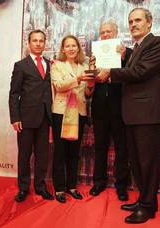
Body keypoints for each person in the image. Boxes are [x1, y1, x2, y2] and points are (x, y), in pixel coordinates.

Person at [96, 8, 160, 224]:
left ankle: (147, 207)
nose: (133, 24)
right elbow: (133, 70)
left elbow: (140, 72)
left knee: (148, 163)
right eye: (130, 21)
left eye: (138, 20)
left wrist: (110, 72)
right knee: (138, 162)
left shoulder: (157, 43)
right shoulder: (136, 48)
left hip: (149, 114)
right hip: (134, 114)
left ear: (149, 23)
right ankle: (145, 202)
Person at [88, 20, 132, 201]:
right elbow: (90, 81)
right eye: (102, 32)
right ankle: (98, 182)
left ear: (116, 32)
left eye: (108, 32)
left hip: (120, 107)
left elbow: (133, 74)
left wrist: (122, 59)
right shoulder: (94, 54)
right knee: (100, 147)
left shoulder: (127, 53)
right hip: (99, 107)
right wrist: (92, 69)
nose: (105, 35)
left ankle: (121, 186)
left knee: (122, 148)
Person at [9, 30, 54, 202]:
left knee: (43, 155)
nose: (38, 43)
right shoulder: (21, 65)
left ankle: (41, 187)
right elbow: (14, 94)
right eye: (35, 40)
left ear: (45, 43)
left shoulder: (51, 64)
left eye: (41, 40)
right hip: (26, 118)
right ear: (28, 43)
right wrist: (15, 117)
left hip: (45, 117)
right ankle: (23, 188)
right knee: (24, 155)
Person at [51, 35, 93, 203]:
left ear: (78, 48)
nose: (71, 48)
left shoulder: (84, 66)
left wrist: (90, 86)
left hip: (79, 113)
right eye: (67, 46)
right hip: (61, 113)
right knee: (60, 152)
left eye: (74, 45)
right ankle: (60, 188)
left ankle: (72, 186)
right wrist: (78, 79)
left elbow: (87, 94)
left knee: (74, 152)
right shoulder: (57, 65)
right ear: (63, 49)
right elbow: (59, 86)